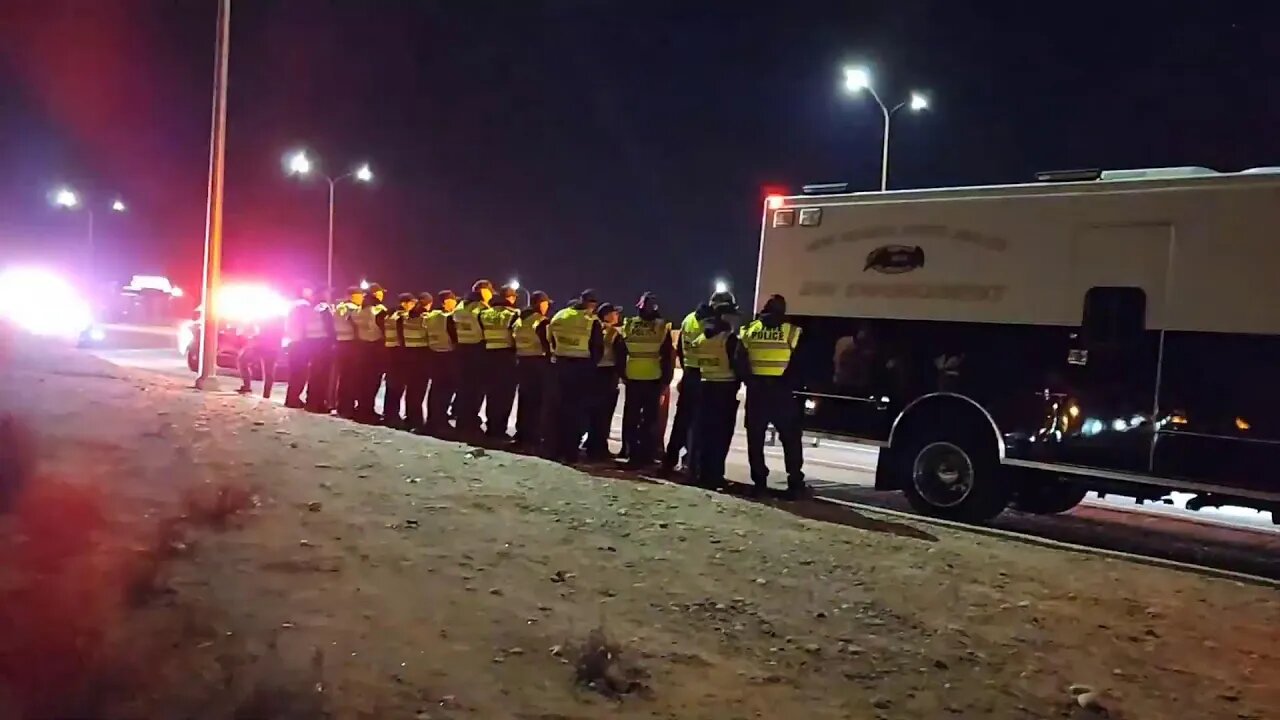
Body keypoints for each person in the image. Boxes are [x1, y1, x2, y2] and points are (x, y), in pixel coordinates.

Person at [736, 293, 808, 498]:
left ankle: (759, 482)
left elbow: (739, 360)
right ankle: (794, 481)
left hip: (757, 392)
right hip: (781, 392)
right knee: (790, 438)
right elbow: (800, 362)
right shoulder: (791, 331)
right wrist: (790, 383)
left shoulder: (750, 330)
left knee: (755, 438)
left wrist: (751, 381)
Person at [690, 295, 742, 489]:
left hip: (705, 389)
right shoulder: (728, 339)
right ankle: (715, 477)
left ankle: (701, 475)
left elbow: (694, 368)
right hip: (724, 392)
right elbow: (738, 366)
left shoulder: (701, 340)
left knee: (704, 435)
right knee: (720, 437)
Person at [547, 289, 603, 464]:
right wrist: (591, 367)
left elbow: (550, 338)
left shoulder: (560, 315)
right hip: (581, 369)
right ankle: (571, 452)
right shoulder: (590, 321)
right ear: (591, 304)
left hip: (560, 366)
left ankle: (554, 449)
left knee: (558, 409)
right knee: (576, 412)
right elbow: (597, 348)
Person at [621, 291, 674, 467]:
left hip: (633, 377)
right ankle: (646, 455)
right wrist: (666, 380)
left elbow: (621, 351)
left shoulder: (629, 324)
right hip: (653, 378)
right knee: (650, 420)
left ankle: (631, 453)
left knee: (631, 418)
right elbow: (668, 356)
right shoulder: (660, 327)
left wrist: (623, 374)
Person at [662, 301, 712, 475]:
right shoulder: (710, 323)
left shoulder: (688, 319)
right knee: (697, 424)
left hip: (689, 372)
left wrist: (685, 369)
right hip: (704, 376)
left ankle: (670, 461)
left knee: (681, 421)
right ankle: (691, 464)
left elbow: (681, 350)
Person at [585, 303, 626, 461]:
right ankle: (599, 448)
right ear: (607, 315)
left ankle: (590, 443)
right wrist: (623, 376)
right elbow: (620, 357)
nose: (617, 316)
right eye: (615, 313)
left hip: (592, 373)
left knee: (592, 412)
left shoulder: (592, 328)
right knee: (604, 414)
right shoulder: (613, 333)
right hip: (607, 374)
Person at [479, 286, 520, 442]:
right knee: (505, 396)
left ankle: (491, 427)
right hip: (507, 358)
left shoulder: (484, 314)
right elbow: (517, 337)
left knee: (492, 394)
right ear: (509, 298)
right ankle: (499, 430)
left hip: (489, 357)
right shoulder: (512, 314)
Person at [451, 280, 492, 437]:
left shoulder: (460, 306)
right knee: (476, 390)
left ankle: (462, 421)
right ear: (483, 291)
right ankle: (471, 423)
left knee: (464, 389)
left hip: (461, 350)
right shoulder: (480, 308)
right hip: (477, 350)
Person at [513, 291, 552, 451]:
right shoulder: (540, 321)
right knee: (537, 402)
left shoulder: (520, 320)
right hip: (538, 363)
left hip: (522, 361)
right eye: (546, 303)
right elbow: (547, 344)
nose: (547, 306)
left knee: (525, 400)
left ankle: (522, 433)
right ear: (540, 304)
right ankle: (534, 436)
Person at [423, 290, 459, 436]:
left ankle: (432, 420)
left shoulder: (431, 316)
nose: (455, 304)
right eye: (453, 301)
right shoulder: (448, 317)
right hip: (448, 355)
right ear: (447, 301)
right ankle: (440, 421)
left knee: (435, 389)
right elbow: (454, 337)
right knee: (445, 391)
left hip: (434, 354)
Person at [382, 293, 417, 428]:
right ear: (405, 303)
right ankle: (393, 416)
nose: (413, 306)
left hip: (390, 352)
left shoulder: (390, 314)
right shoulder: (401, 317)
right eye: (412, 303)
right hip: (399, 353)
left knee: (391, 386)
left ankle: (389, 413)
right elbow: (402, 336)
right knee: (397, 386)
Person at [353, 289, 388, 423]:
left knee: (362, 381)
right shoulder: (376, 310)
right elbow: (380, 327)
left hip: (361, 348)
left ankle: (362, 409)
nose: (382, 295)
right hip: (375, 348)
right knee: (372, 382)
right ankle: (367, 412)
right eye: (379, 293)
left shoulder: (358, 311)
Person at [401, 292, 433, 432]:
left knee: (411, 390)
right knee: (419, 391)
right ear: (429, 304)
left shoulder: (407, 317)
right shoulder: (425, 318)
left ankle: (410, 418)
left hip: (408, 356)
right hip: (422, 358)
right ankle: (418, 422)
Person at [332, 285, 365, 418]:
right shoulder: (353, 308)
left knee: (344, 377)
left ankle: (342, 406)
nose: (362, 298)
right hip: (351, 345)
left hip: (340, 344)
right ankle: (348, 408)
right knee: (351, 378)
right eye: (360, 295)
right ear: (353, 296)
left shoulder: (340, 307)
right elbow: (357, 324)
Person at [236, 315, 284, 398]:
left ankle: (260, 393)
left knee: (243, 360)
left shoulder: (270, 316)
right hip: (267, 345)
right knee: (268, 371)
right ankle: (264, 395)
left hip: (264, 345)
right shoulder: (274, 316)